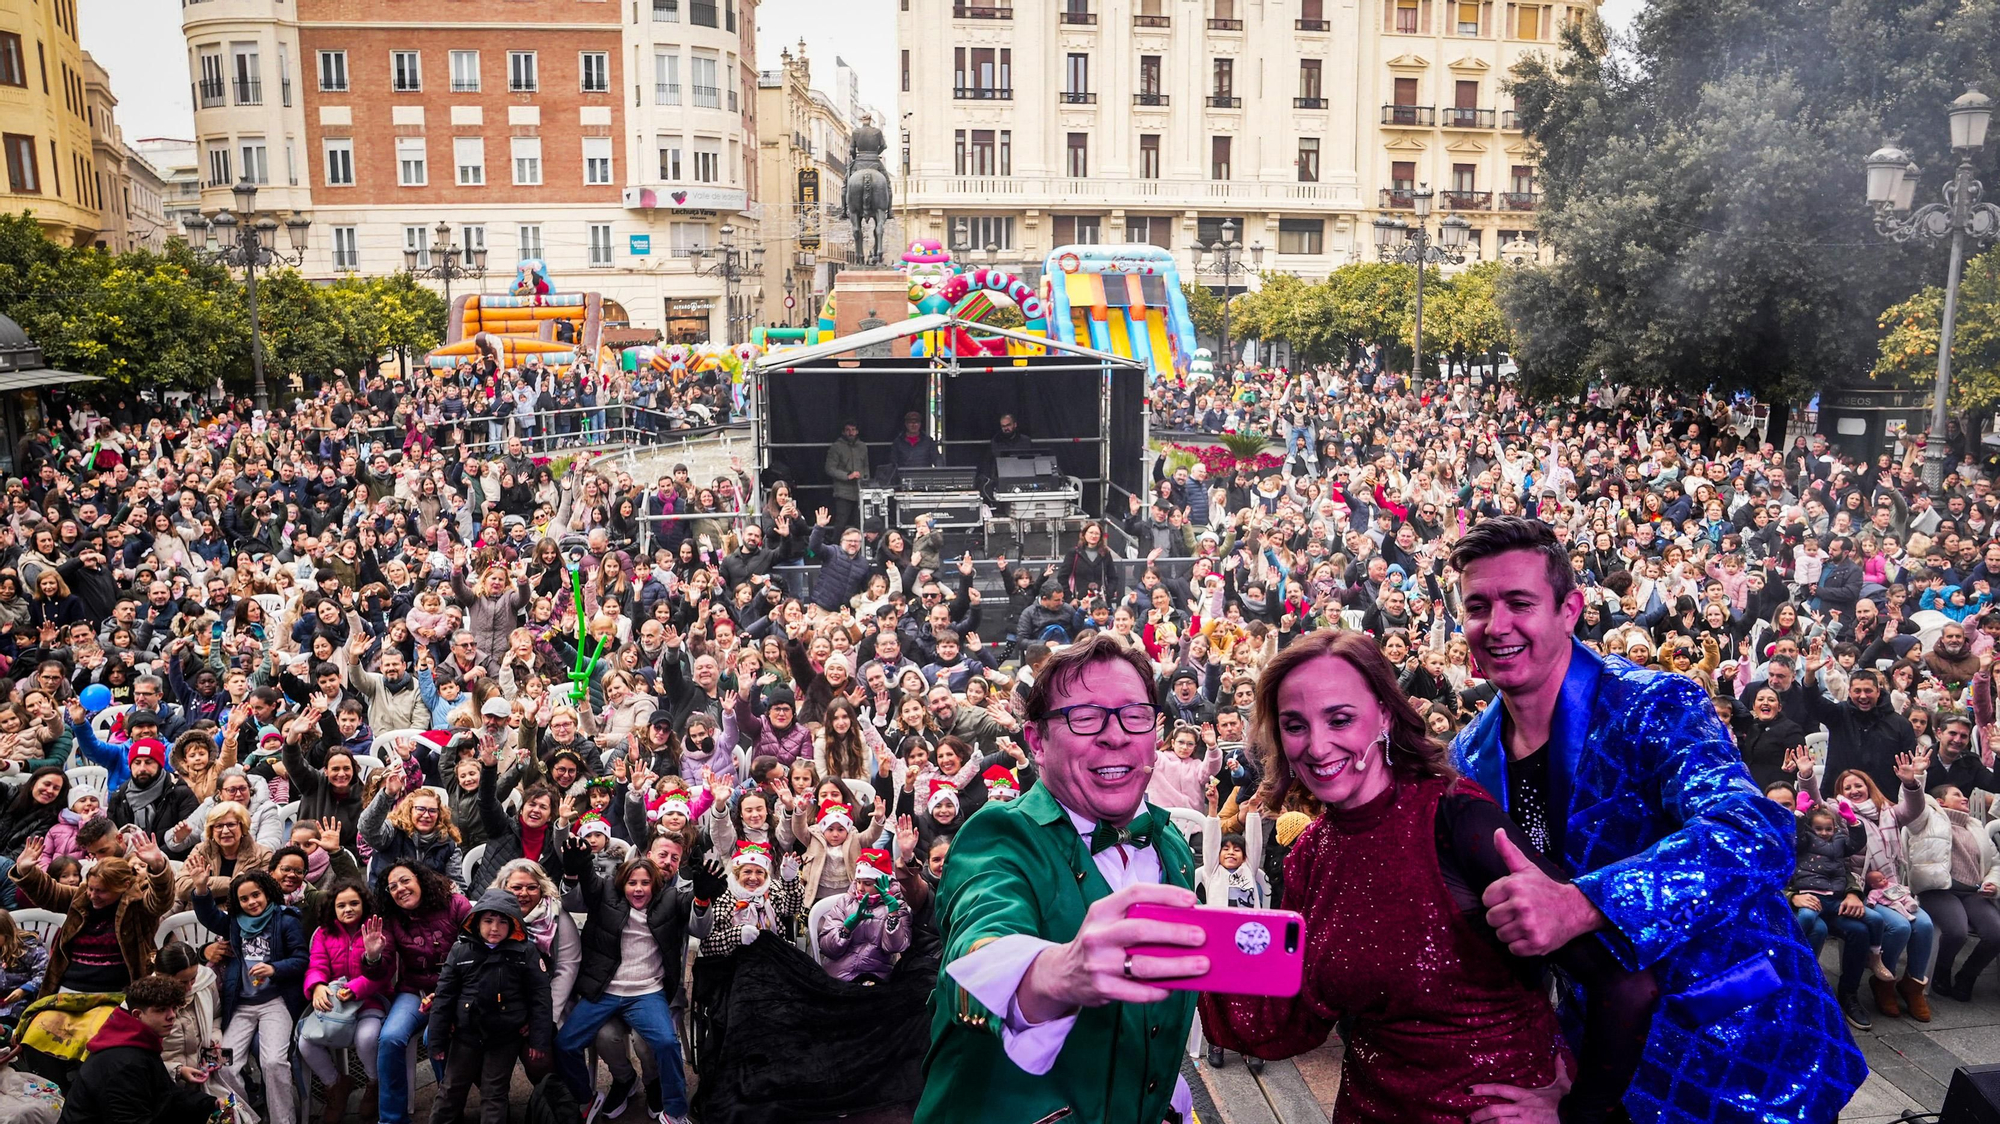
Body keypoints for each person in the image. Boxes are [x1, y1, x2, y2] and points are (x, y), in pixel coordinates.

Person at [1444, 516, 1865, 1119]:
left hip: (1738, 1045)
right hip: (1602, 1053)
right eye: (1477, 606)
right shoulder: (1468, 754)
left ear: (1569, 609)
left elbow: (1755, 832)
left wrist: (1584, 903)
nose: (1496, 625)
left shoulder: (1654, 702)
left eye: (1519, 602)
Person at [1199, 630, 1657, 1121]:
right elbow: (1293, 1012)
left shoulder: (1456, 819)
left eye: (1340, 718)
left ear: (1385, 715)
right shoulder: (1312, 852)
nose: (1316, 745)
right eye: (1295, 725)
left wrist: (1578, 1110)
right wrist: (1188, 941)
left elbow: (1627, 985)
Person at [916, 634, 1207, 1124]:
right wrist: (1058, 972)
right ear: (1036, 742)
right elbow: (979, 939)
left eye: (1134, 715)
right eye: (1085, 716)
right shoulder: (999, 834)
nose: (1115, 736)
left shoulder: (1172, 846)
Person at [555, 840, 719, 1124]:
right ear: (622, 883)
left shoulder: (671, 899)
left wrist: (702, 899)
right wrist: (574, 871)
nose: (639, 888)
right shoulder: (606, 891)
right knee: (565, 1043)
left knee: (667, 1043)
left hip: (647, 992)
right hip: (604, 991)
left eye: (645, 883)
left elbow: (698, 926)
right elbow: (576, 894)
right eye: (632, 883)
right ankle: (589, 1096)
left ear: (655, 885)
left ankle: (675, 1112)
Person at [187, 861, 308, 1124]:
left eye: (256, 895)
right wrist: (200, 886)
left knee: (274, 1063)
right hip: (239, 1004)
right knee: (217, 1063)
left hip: (276, 1002)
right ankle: (246, 1117)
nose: (251, 902)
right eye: (244, 898)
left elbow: (301, 959)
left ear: (267, 893)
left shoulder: (286, 919)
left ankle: (282, 1120)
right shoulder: (234, 924)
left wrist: (274, 968)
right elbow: (208, 916)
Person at [425, 888, 553, 1124]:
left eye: (503, 922)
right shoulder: (460, 950)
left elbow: (541, 996)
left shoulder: (525, 952)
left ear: (514, 924)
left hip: (504, 1036)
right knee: (450, 1090)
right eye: (488, 921)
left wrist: (538, 1038)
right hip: (466, 1034)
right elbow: (444, 996)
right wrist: (437, 1040)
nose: (494, 928)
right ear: (475, 921)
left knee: (494, 1093)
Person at [54, 973, 222, 1124]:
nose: (172, 1015)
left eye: (173, 1008)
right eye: (161, 1010)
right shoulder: (123, 1063)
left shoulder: (139, 1043)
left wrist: (211, 1104)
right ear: (137, 1015)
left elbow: (167, 1096)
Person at [824, 421, 870, 530]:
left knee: (861, 522)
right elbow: (829, 468)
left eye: (853, 430)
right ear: (843, 432)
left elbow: (866, 466)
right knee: (841, 523)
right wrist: (847, 476)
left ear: (857, 431)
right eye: (848, 430)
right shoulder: (836, 447)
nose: (851, 433)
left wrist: (865, 480)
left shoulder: (863, 447)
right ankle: (835, 546)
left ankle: (862, 546)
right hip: (843, 492)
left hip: (860, 491)